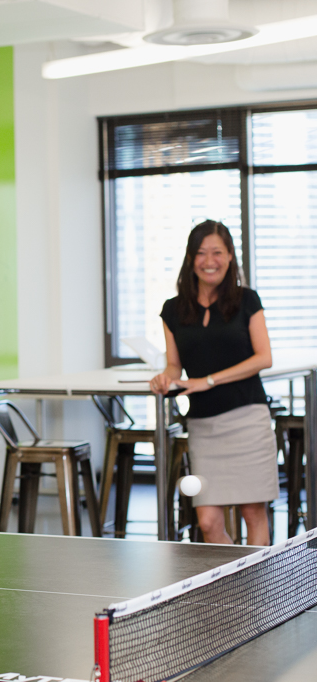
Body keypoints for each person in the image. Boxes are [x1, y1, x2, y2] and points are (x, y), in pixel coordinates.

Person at [150, 219, 278, 546]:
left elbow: (264, 357)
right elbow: (175, 365)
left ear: (231, 256)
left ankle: (256, 591)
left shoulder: (248, 301)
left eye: (217, 252)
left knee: (253, 512)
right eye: (202, 253)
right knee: (207, 522)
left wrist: (209, 380)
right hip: (204, 427)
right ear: (191, 259)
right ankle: (232, 585)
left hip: (247, 419)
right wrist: (166, 378)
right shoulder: (172, 310)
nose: (210, 261)